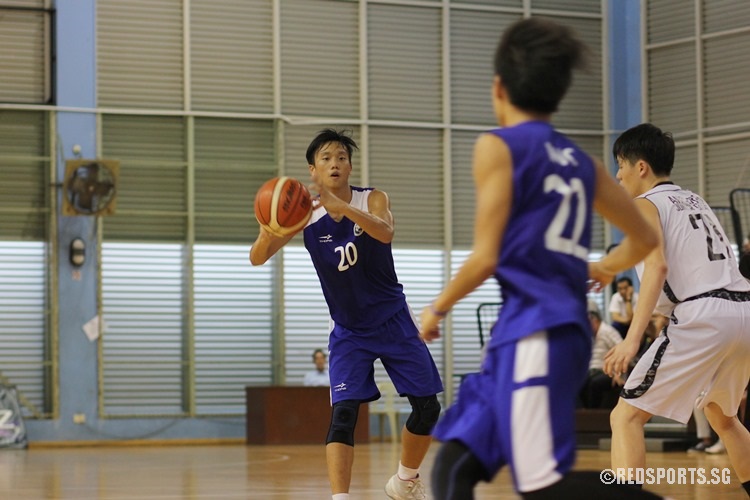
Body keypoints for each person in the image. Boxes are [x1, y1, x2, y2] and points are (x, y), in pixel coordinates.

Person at [418, 17, 661, 500]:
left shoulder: (496, 146)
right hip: (531, 334)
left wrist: (436, 308)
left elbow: (486, 256)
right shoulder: (582, 162)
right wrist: (604, 268)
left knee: (542, 486)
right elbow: (644, 239)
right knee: (453, 465)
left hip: (537, 332)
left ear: (498, 88)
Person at [249, 128, 443, 500]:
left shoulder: (372, 198)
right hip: (349, 329)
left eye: (341, 157)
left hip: (394, 320)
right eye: (326, 158)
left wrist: (344, 209)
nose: (335, 163)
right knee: (344, 415)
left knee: (428, 408)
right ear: (313, 171)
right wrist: (266, 230)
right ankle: (341, 498)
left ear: (350, 165)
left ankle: (404, 481)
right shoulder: (303, 215)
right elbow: (258, 257)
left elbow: (385, 233)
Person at [594, 123, 750, 496]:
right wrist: (608, 268)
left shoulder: (644, 204)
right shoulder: (695, 200)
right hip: (743, 311)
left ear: (641, 167)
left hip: (704, 316)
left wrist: (632, 341)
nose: (618, 174)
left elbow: (658, 268)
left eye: (621, 164)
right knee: (723, 417)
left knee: (626, 415)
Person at [581, 309, 624, 409]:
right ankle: (586, 413)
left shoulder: (608, 331)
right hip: (592, 370)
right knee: (580, 382)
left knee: (595, 383)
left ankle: (593, 413)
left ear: (595, 320)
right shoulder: (589, 335)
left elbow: (622, 351)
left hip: (609, 371)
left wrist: (618, 374)